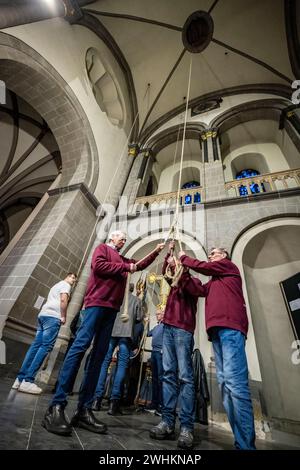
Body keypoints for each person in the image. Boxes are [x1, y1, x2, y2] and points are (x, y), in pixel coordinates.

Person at [43, 230, 164, 436]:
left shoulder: (121, 257)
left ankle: (84, 409)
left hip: (112, 310)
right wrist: (127, 266)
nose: (124, 239)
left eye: (125, 238)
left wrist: (156, 251)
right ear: (111, 238)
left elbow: (139, 264)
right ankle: (56, 406)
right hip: (96, 304)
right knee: (79, 348)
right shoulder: (103, 249)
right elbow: (100, 266)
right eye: (121, 237)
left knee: (99, 357)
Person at [178, 247, 256, 450]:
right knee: (224, 386)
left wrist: (184, 258)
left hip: (231, 328)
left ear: (224, 256)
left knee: (236, 386)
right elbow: (198, 290)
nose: (211, 255)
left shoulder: (228, 267)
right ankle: (241, 442)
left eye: (214, 253)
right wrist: (184, 272)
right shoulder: (214, 281)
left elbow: (203, 266)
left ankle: (247, 446)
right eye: (210, 253)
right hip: (217, 333)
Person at [150, 242, 205, 449]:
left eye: (177, 266)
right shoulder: (173, 282)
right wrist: (169, 254)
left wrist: (179, 263)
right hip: (168, 329)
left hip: (183, 331)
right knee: (167, 375)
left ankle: (187, 427)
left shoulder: (193, 282)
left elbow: (193, 288)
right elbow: (166, 273)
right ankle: (167, 422)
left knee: (184, 377)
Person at [11, 273, 77, 395]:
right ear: (66, 277)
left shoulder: (55, 285)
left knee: (35, 346)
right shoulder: (65, 285)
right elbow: (63, 300)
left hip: (43, 315)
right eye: (72, 277)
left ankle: (19, 380)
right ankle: (28, 380)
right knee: (45, 346)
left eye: (75, 279)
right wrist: (63, 316)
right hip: (53, 317)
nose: (73, 280)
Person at [91, 282, 143, 415]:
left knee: (104, 363)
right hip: (126, 334)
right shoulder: (136, 300)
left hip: (112, 331)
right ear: (133, 289)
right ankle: (114, 403)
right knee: (122, 366)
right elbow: (139, 318)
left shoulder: (117, 296)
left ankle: (97, 399)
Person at [146, 308, 164, 416]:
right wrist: (147, 323)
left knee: (161, 379)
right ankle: (154, 402)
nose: (157, 316)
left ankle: (161, 405)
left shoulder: (165, 326)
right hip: (154, 353)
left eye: (159, 314)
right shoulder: (156, 327)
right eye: (156, 314)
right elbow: (148, 334)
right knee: (155, 379)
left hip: (161, 353)